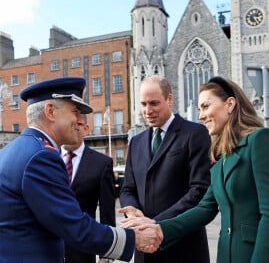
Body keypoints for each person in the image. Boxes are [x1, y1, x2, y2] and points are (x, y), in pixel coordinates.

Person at [0, 77, 161, 263]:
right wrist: (134, 238)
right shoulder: (41, 157)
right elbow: (73, 226)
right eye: (75, 112)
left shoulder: (14, 150)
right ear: (50, 112)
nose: (79, 120)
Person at [132, 76, 269, 263]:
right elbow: (205, 208)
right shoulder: (221, 154)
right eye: (199, 109)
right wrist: (159, 228)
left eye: (206, 106)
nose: (200, 115)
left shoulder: (260, 140)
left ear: (230, 104)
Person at [119, 75, 211, 263]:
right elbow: (128, 188)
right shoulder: (136, 142)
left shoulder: (194, 133)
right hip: (145, 250)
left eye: (154, 103)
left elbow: (199, 190)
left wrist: (156, 223)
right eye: (143, 104)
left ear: (169, 99)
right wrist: (134, 211)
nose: (148, 110)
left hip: (183, 248)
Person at [61, 115, 116, 263]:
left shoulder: (101, 163)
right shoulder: (46, 157)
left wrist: (107, 254)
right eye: (68, 123)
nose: (73, 128)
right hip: (48, 249)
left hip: (82, 251)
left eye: (77, 124)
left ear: (86, 129)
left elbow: (107, 212)